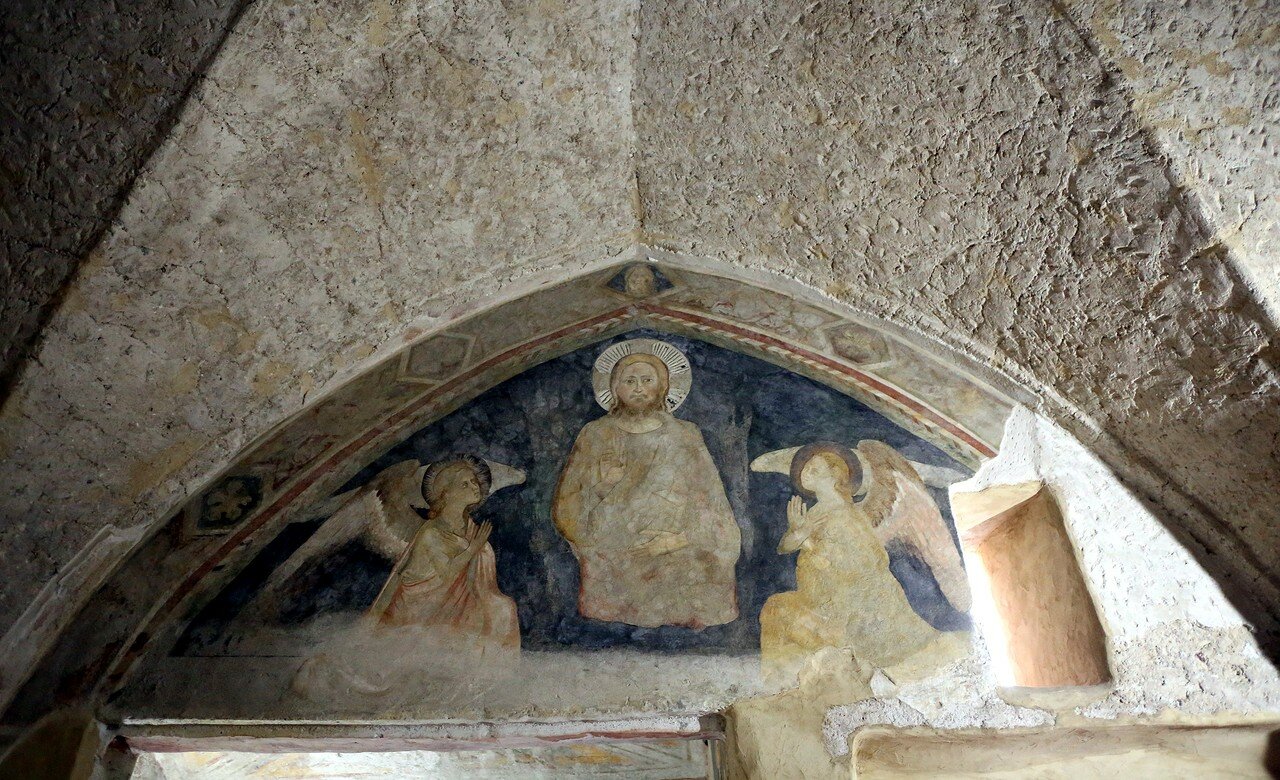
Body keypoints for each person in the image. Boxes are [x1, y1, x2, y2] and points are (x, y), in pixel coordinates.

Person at [553, 349, 741, 628]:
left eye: (646, 380)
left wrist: (678, 539)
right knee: (608, 562)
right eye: (629, 381)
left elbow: (709, 499)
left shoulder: (685, 434)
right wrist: (604, 486)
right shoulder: (595, 434)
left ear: (663, 385)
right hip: (615, 543)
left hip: (675, 540)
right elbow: (568, 506)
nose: (638, 388)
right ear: (614, 387)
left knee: (704, 565)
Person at [759, 443, 938, 677]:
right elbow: (784, 547)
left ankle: (786, 679)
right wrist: (799, 533)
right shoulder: (816, 511)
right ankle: (780, 681)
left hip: (852, 609)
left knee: (778, 609)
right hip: (820, 599)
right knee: (776, 608)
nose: (806, 471)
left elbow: (862, 564)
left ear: (836, 474)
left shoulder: (849, 516)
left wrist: (810, 545)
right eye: (805, 468)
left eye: (815, 467)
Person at [369, 456, 519, 655]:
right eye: (465, 484)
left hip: (461, 602)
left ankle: (497, 673)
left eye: (474, 481)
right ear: (446, 494)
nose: (475, 486)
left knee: (504, 608)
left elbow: (477, 581)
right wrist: (473, 548)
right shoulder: (431, 533)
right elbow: (447, 574)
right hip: (421, 608)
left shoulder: (471, 529)